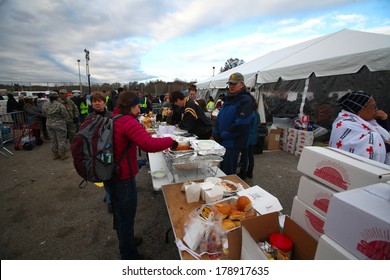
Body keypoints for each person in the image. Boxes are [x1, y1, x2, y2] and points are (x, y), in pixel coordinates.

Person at [111, 91, 178, 260]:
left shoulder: (116, 116)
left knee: (120, 213)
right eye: (137, 105)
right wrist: (170, 141)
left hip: (112, 173)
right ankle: (129, 255)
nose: (139, 108)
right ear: (132, 105)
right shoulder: (128, 121)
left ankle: (127, 240)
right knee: (126, 216)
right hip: (123, 176)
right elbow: (148, 144)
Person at [329, 91, 390, 164]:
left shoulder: (368, 122)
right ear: (361, 109)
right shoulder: (346, 124)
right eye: (373, 107)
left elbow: (381, 139)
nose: (376, 110)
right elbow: (366, 149)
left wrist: (384, 120)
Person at [213, 72, 254, 175]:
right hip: (221, 142)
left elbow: (241, 124)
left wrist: (223, 135)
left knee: (227, 174)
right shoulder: (229, 98)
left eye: (234, 84)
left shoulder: (245, 100)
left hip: (232, 144)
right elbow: (219, 117)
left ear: (241, 84)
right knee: (218, 171)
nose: (231, 86)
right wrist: (215, 132)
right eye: (230, 84)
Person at [88, 91, 114, 213]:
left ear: (104, 102)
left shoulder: (111, 116)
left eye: (99, 101)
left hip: (110, 151)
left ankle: (110, 197)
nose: (97, 103)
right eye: (94, 101)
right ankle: (109, 197)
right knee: (104, 174)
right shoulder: (89, 118)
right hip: (97, 153)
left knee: (110, 174)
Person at [42, 92, 70, 160]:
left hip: (49, 123)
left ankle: (55, 154)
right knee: (61, 139)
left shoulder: (45, 105)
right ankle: (62, 154)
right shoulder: (59, 105)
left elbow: (44, 114)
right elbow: (65, 115)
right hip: (59, 123)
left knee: (53, 139)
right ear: (57, 97)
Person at [239, 99, 260, 179]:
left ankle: (243, 173)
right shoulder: (257, 114)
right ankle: (250, 172)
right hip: (254, 137)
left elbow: (245, 126)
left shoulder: (250, 114)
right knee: (250, 155)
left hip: (247, 138)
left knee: (245, 156)